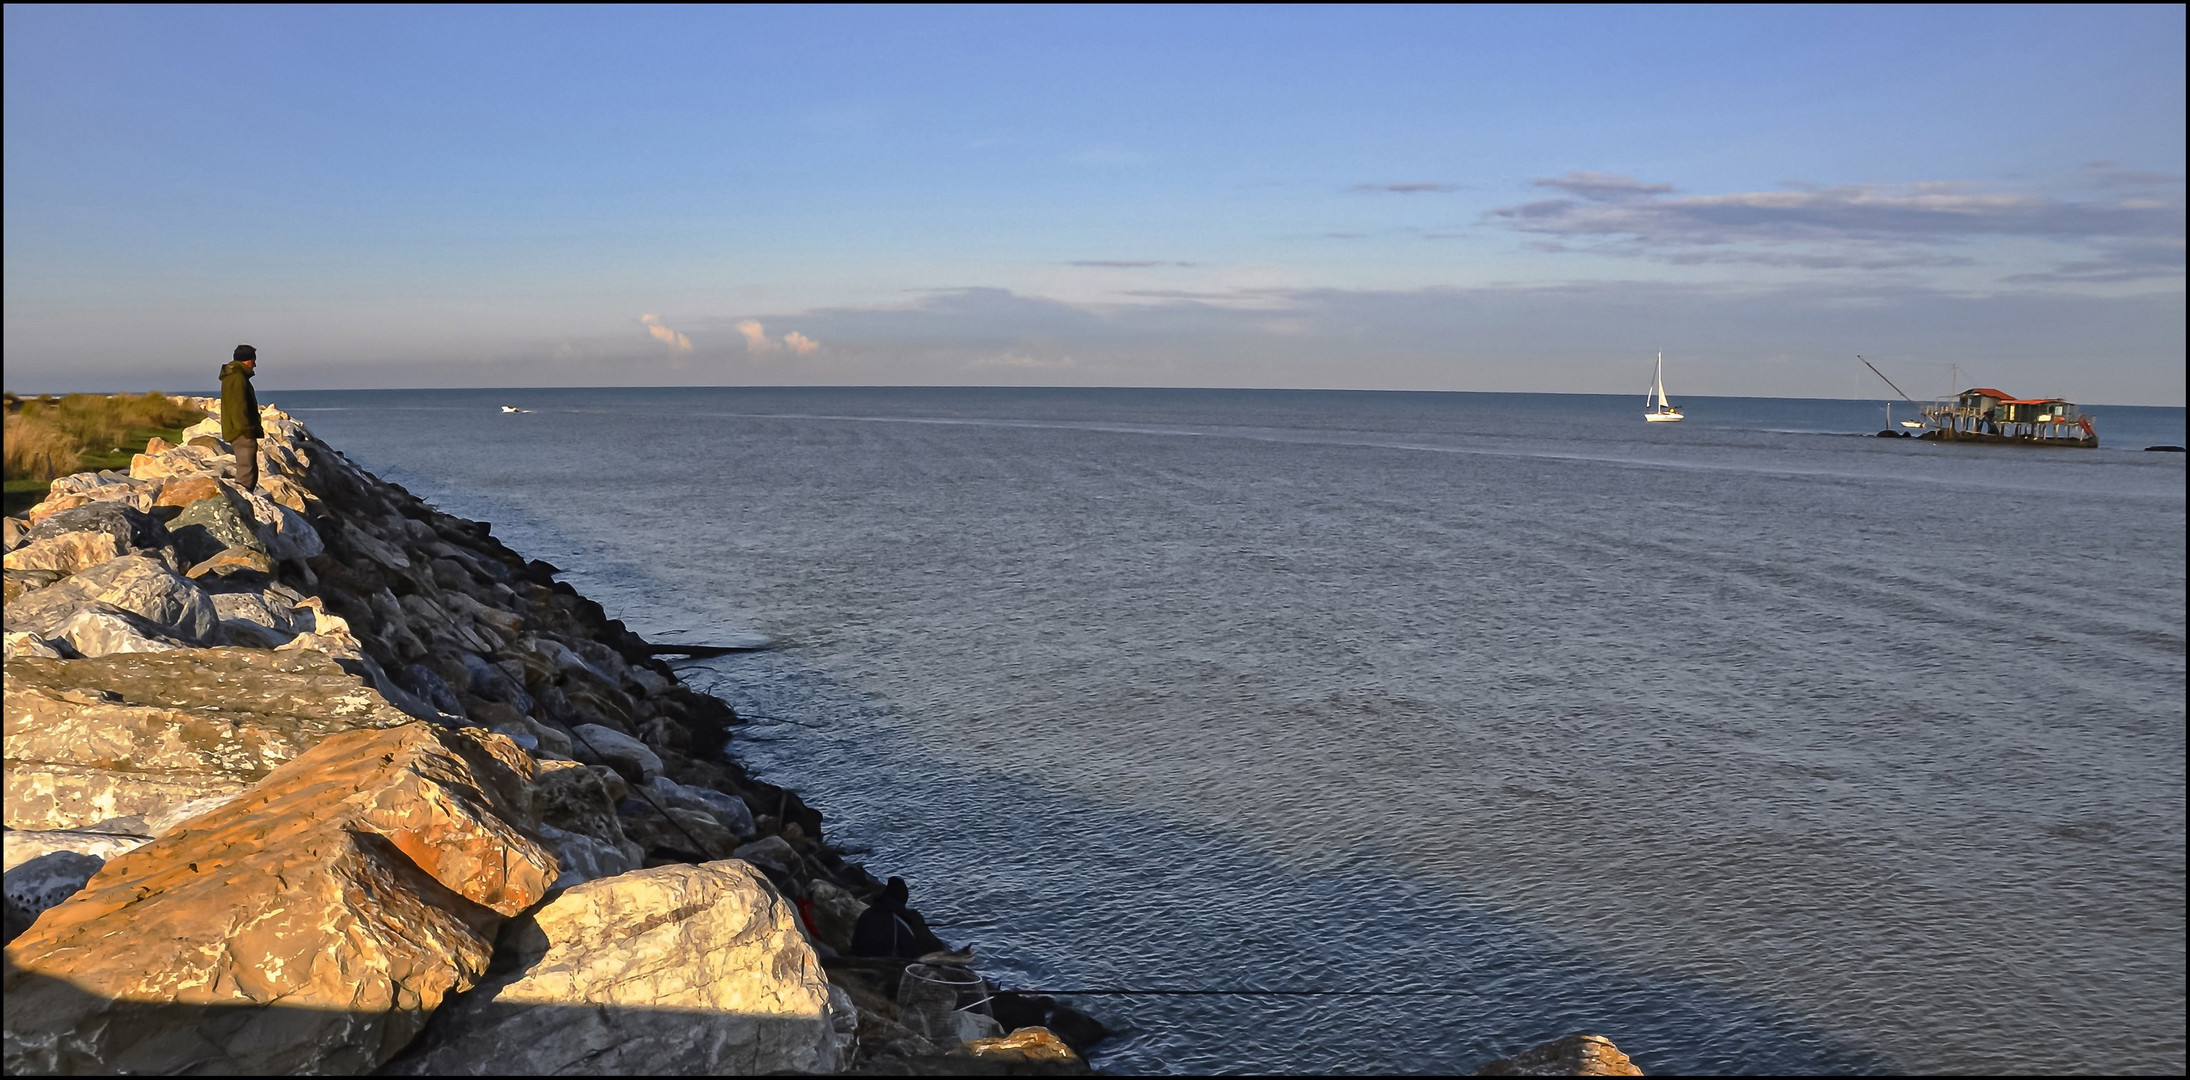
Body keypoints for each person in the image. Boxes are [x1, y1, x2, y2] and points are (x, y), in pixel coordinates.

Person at [849, 876, 950, 958]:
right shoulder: (898, 923)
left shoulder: (866, 913)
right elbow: (911, 956)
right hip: (881, 968)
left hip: (856, 961)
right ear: (903, 899)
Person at [221, 345, 264, 490]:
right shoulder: (238, 378)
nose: (255, 364)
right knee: (246, 471)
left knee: (246, 468)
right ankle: (244, 502)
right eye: (253, 360)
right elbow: (239, 406)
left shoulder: (232, 376)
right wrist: (247, 430)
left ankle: (244, 500)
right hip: (241, 431)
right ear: (246, 361)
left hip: (237, 429)